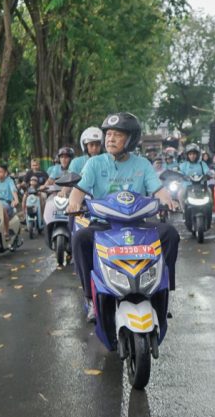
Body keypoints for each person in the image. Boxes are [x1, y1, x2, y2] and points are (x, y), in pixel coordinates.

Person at [67, 112, 181, 321]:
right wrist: (73, 202)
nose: (110, 139)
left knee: (170, 234)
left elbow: (158, 190)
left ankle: (164, 292)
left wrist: (168, 201)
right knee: (79, 238)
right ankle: (90, 298)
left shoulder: (142, 164)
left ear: (130, 140)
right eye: (108, 134)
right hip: (104, 225)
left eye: (117, 135)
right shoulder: (94, 164)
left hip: (138, 224)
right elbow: (78, 190)